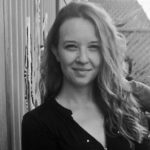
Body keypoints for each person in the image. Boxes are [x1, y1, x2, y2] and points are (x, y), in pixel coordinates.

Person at [22, 2, 150, 150]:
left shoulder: (123, 108)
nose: (83, 58)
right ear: (56, 51)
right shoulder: (38, 124)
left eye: (93, 47)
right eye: (71, 46)